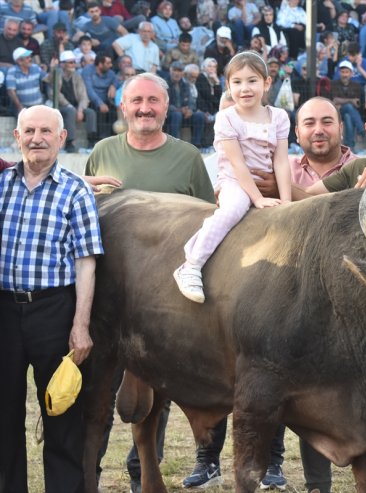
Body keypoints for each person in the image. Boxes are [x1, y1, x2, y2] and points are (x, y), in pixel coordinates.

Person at [85, 72, 215, 492]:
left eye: (153, 101)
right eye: (136, 100)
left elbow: (209, 223)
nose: (144, 108)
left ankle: (145, 471)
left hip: (162, 305)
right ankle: (89, 471)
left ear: (166, 106)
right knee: (98, 394)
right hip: (106, 300)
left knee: (157, 395)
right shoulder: (103, 151)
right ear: (123, 107)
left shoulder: (189, 158)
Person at [0, 104, 104, 493]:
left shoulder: (75, 190)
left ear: (62, 138)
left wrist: (80, 325)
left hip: (54, 312)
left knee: (61, 411)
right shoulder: (1, 186)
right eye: (29, 131)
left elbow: (86, 263)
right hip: (4, 311)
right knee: (3, 415)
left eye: (46, 131)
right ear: (17, 137)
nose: (36, 138)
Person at [174, 51, 291, 304]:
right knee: (233, 209)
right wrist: (258, 199)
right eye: (237, 82)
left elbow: (281, 161)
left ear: (267, 83)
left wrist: (287, 200)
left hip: (265, 179)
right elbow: (237, 163)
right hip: (235, 181)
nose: (245, 88)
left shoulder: (279, 116)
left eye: (252, 81)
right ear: (228, 85)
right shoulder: (226, 118)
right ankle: (191, 265)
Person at [50, 50, 97, 151]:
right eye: (70, 62)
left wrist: (80, 109)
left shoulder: (77, 75)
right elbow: (55, 94)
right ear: (62, 64)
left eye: (74, 62)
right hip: (59, 107)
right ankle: (69, 143)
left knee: (90, 112)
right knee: (71, 111)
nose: (73, 65)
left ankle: (92, 141)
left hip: (75, 107)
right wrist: (69, 105)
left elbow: (83, 95)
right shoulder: (56, 74)